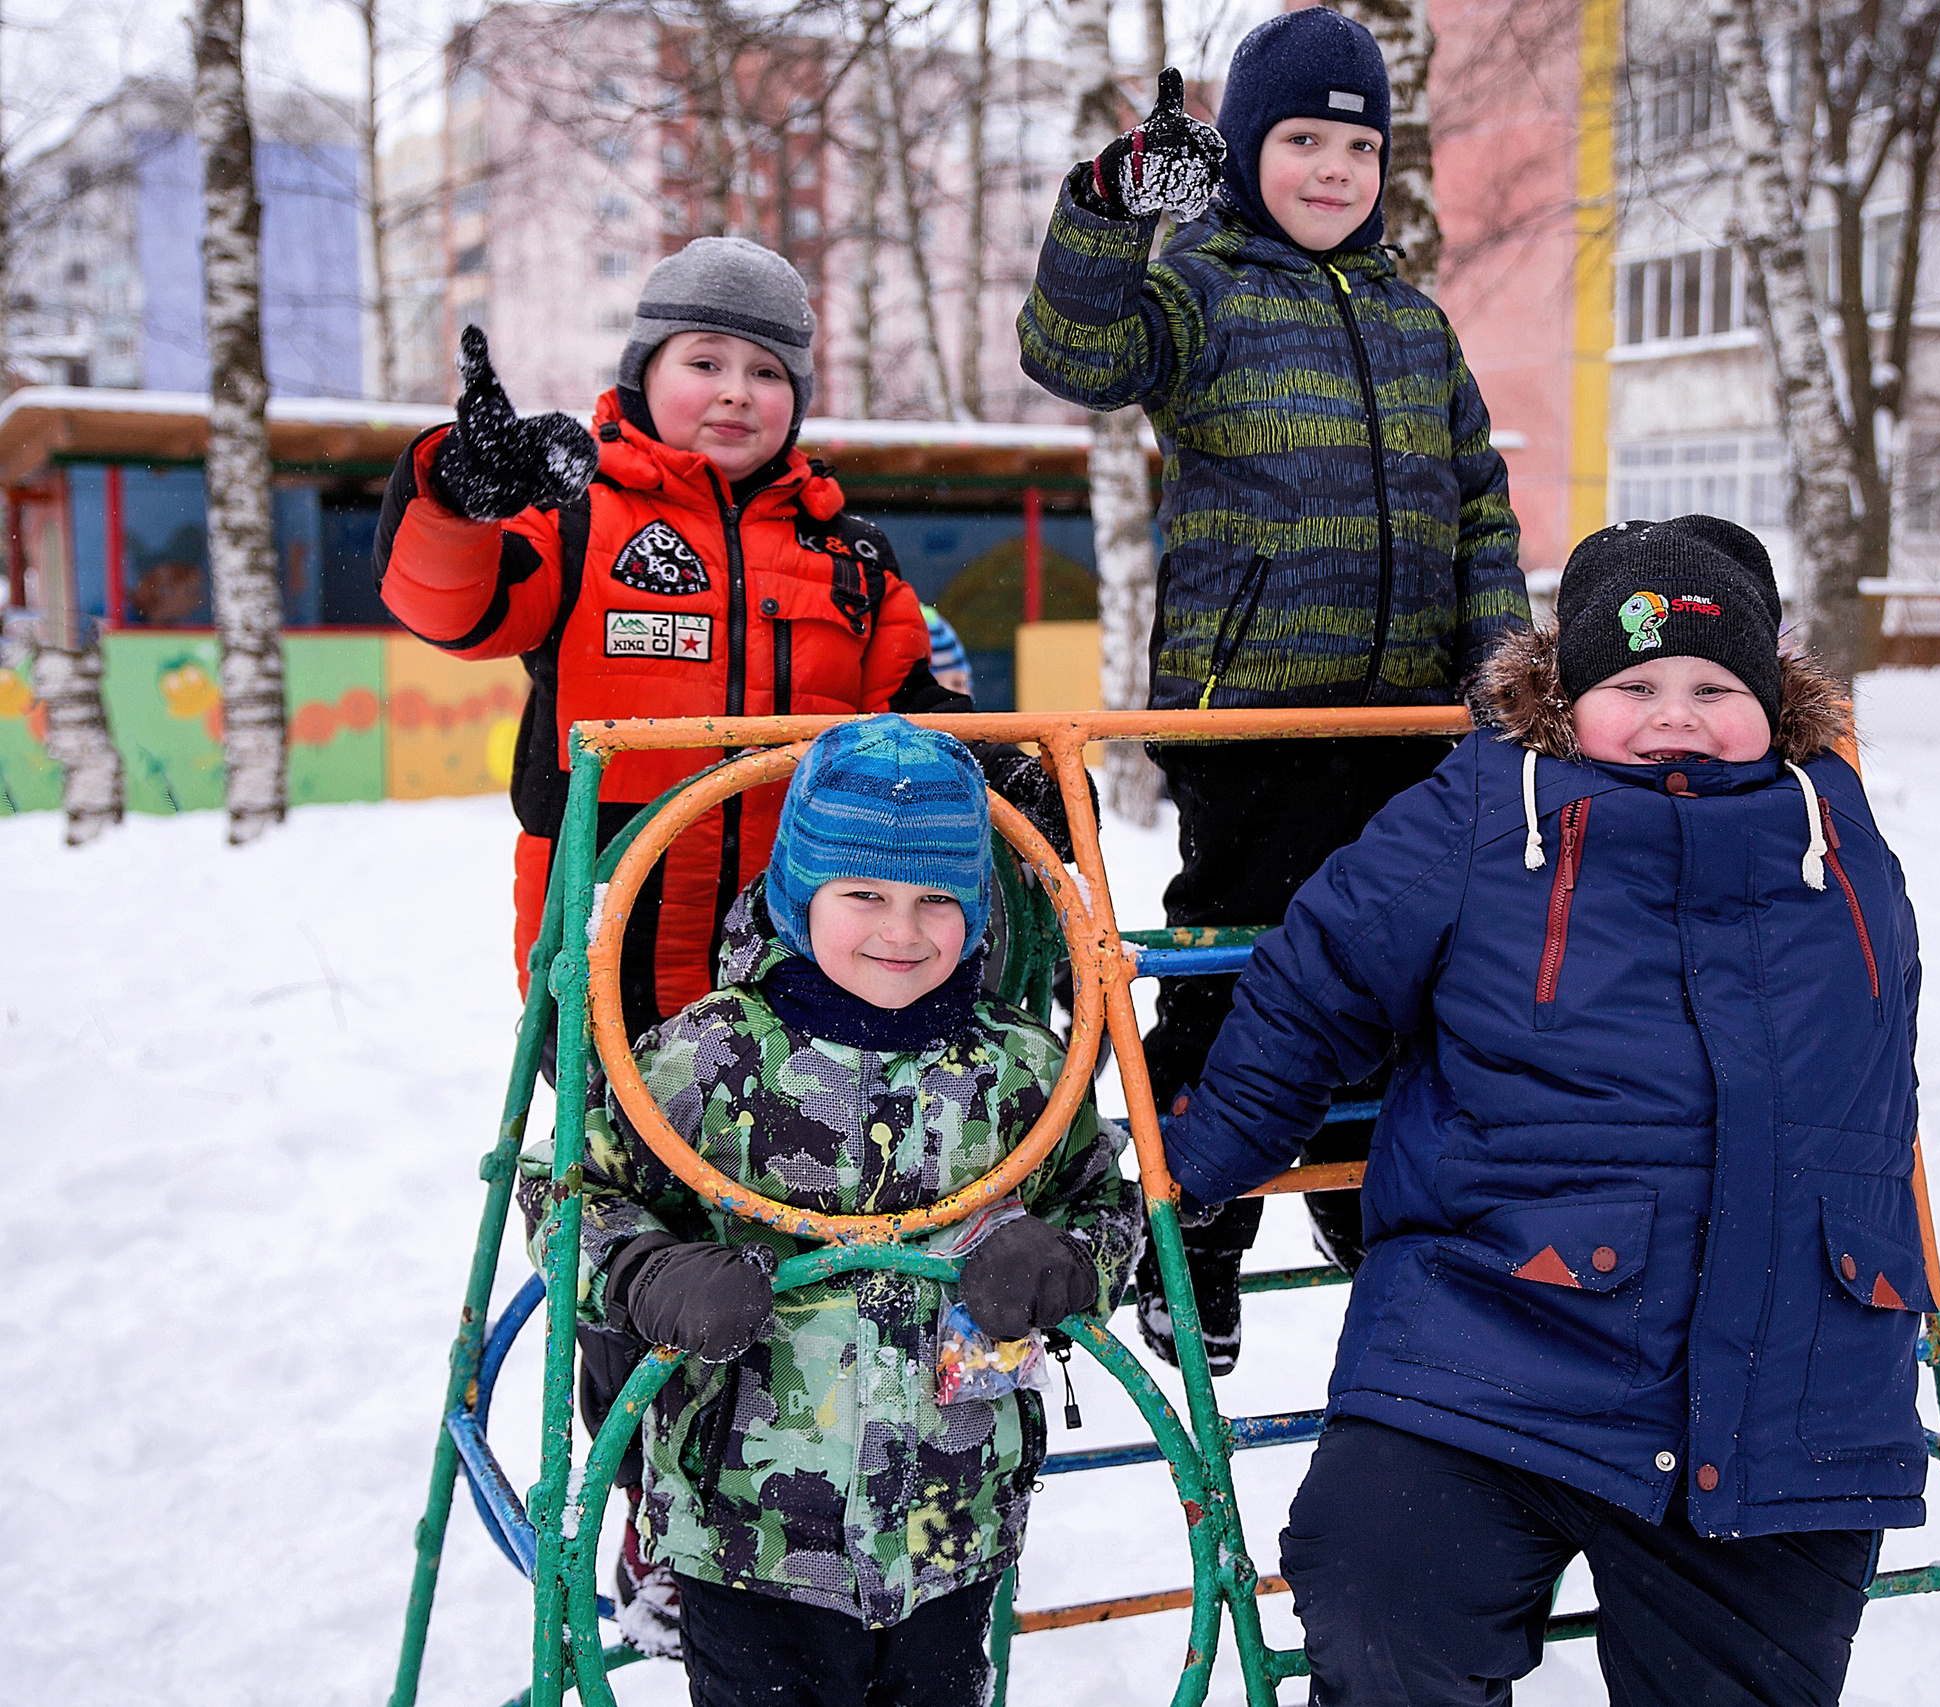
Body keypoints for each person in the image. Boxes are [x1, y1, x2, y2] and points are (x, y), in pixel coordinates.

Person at [380, 236, 1063, 1653]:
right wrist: (457, 487)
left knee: (795, 1223)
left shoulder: (847, 560)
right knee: (644, 1226)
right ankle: (656, 1514)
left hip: (814, 964)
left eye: (766, 370)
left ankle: (852, 1493)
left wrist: (1007, 776)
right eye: (706, 362)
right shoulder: (578, 523)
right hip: (621, 935)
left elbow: (918, 720)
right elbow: (446, 601)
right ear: (646, 372)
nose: (736, 392)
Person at [1156, 516, 1925, 1707]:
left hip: (1784, 1375)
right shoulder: (1482, 815)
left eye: (1717, 684)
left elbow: (1870, 1088)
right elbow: (1317, 984)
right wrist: (1193, 1169)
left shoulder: (1835, 839)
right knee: (1377, 1601)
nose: (1676, 713)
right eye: (1635, 682)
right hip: (1493, 1338)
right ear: (1566, 698)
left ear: (1775, 701)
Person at [1017, 6, 1529, 1373]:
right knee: (1241, 970)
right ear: (1248, 153)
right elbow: (1074, 351)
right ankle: (1202, 1224)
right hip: (1252, 715)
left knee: (1404, 968)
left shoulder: (1418, 323)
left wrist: (1498, 666)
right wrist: (1114, 209)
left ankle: (1362, 1195)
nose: (1331, 170)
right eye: (1301, 140)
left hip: (1410, 720)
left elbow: (1479, 503)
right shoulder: (1205, 292)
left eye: (1356, 146)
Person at [524, 715, 1141, 1706]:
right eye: (864, 896)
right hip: (746, 1537)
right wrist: (650, 1271)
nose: (901, 932)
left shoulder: (1019, 1066)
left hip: (954, 1527)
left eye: (937, 900)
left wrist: (1065, 1260)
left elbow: (1101, 1199)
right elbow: (569, 1191)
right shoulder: (705, 1059)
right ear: (798, 897)